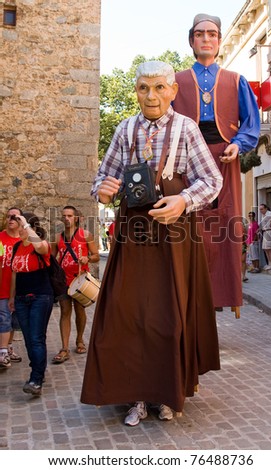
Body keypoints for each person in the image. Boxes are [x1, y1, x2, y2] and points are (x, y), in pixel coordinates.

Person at [81, 61, 223, 426]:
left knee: (169, 316)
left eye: (160, 87)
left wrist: (183, 201)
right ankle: (137, 396)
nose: (151, 96)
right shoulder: (125, 129)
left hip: (175, 234)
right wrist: (104, 190)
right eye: (144, 88)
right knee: (127, 314)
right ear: (136, 91)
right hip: (133, 232)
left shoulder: (186, 128)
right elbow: (102, 179)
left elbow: (211, 180)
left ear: (173, 91)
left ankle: (166, 395)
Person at [173, 13, 260, 314]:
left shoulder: (236, 81)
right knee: (187, 221)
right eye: (200, 34)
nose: (206, 39)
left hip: (226, 156)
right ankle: (187, 293)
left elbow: (251, 123)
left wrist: (238, 144)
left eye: (212, 34)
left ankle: (223, 292)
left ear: (220, 41)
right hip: (188, 158)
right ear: (192, 40)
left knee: (226, 223)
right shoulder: (175, 81)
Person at [8, 213, 53, 395]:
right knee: (28, 339)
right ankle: (37, 372)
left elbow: (41, 248)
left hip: (40, 296)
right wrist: (12, 297)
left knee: (36, 338)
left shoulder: (41, 244)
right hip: (21, 298)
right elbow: (14, 273)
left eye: (19, 226)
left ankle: (36, 379)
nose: (17, 229)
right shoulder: (17, 246)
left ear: (28, 227)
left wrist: (25, 224)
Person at [51, 205, 99, 363]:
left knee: (80, 311)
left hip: (80, 280)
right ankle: (64, 348)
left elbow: (96, 255)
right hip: (63, 281)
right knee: (65, 312)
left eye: (70, 215)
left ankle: (79, 340)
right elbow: (52, 259)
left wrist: (88, 259)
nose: (66, 218)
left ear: (76, 218)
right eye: (64, 215)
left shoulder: (86, 235)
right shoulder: (57, 237)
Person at [0, 207, 23, 369]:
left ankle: (7, 348)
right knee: (4, 320)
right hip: (2, 287)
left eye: (15, 217)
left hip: (19, 289)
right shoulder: (0, 238)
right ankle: (2, 352)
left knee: (14, 322)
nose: (11, 219)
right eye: (8, 217)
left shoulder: (23, 240)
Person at [259, 204, 271, 270]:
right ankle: (269, 263)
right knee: (265, 248)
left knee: (269, 248)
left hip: (269, 232)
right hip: (264, 232)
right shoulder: (262, 215)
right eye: (260, 209)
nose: (260, 211)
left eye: (262, 209)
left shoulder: (269, 214)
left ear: (266, 208)